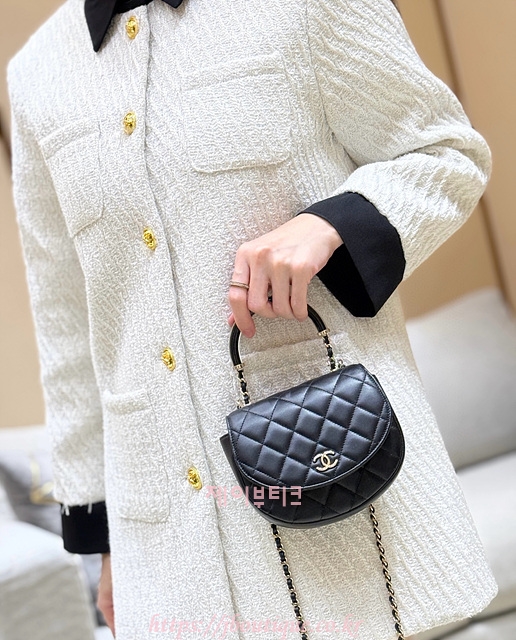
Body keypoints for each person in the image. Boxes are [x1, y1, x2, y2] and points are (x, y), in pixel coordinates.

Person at [8, 0, 497, 638]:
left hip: (329, 481)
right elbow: (66, 326)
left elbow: (445, 153)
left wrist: (329, 224)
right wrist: (103, 546)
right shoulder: (35, 73)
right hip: (166, 544)